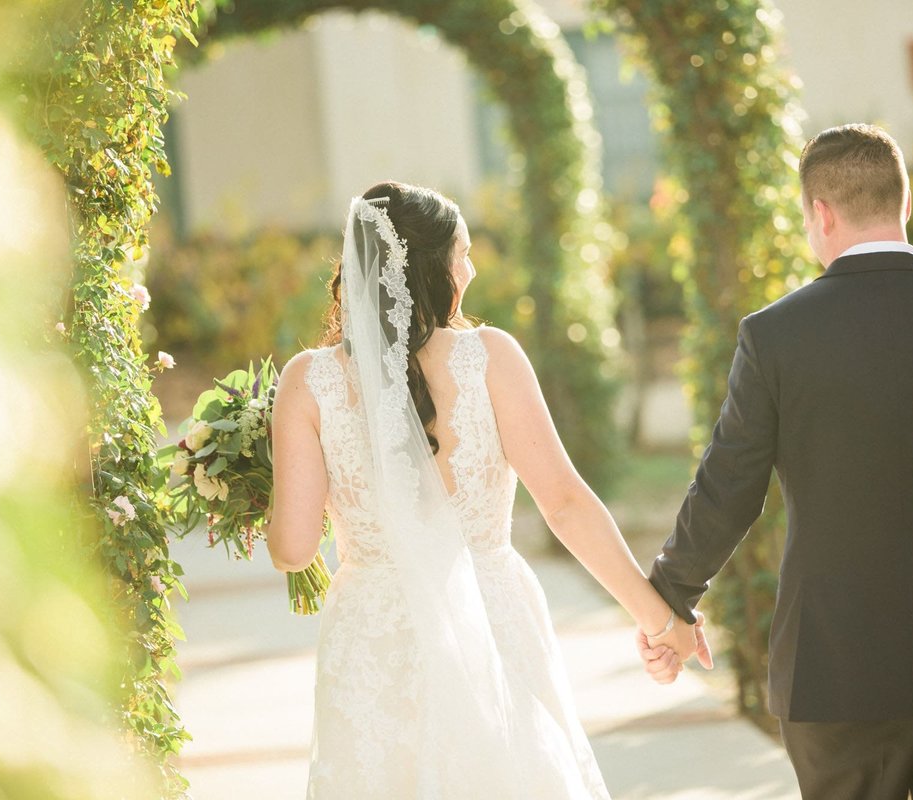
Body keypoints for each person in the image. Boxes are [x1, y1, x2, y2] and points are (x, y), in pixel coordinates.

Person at [638, 123, 913, 800]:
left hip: (834, 671)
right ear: (904, 206)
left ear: (820, 213)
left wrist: (670, 597)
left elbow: (730, 488)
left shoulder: (775, 336)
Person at [265, 180, 703, 799]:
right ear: (431, 269)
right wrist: (660, 619)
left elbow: (293, 550)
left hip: (373, 634)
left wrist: (269, 483)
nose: (469, 269)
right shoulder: (490, 358)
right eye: (462, 254)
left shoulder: (308, 383)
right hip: (489, 612)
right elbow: (566, 503)